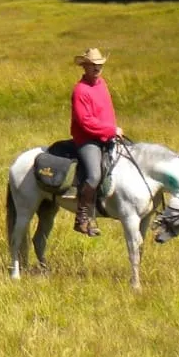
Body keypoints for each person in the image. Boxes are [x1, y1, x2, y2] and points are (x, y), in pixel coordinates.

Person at [70, 47, 123, 237]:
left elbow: (107, 113)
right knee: (94, 175)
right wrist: (110, 130)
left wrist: (113, 131)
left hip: (106, 136)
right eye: (93, 65)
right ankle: (82, 218)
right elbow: (85, 122)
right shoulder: (80, 91)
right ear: (85, 66)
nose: (97, 68)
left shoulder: (102, 85)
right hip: (87, 139)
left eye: (99, 65)